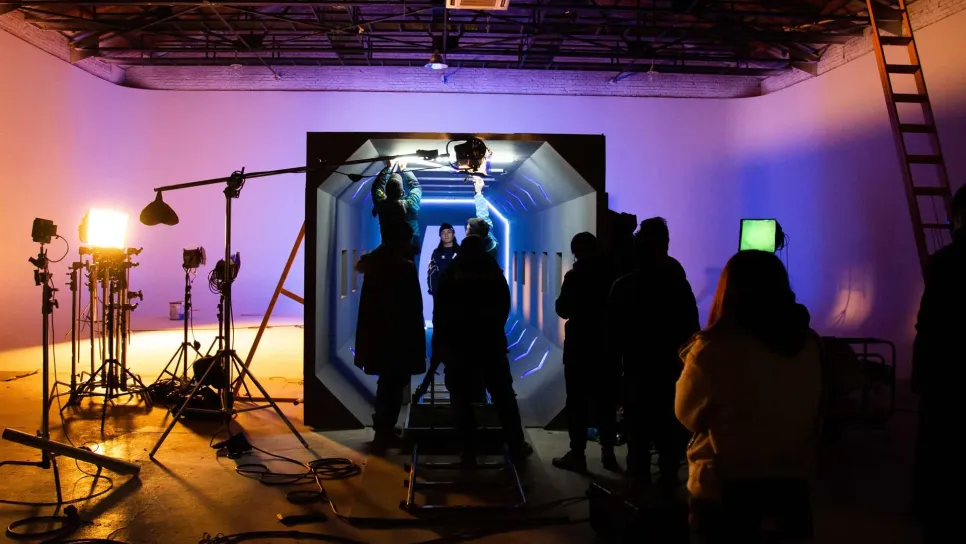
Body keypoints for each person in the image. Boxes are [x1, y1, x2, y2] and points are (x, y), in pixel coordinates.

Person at [677, 250, 822, 543]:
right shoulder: (810, 345)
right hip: (791, 486)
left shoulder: (711, 350)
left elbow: (686, 413)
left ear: (728, 292)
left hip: (724, 490)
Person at [609, 217, 700, 487]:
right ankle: (668, 487)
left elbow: (613, 336)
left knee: (637, 435)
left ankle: (638, 491)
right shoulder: (678, 283)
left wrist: (613, 376)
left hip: (636, 371)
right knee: (668, 436)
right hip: (671, 372)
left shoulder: (624, 285)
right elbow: (691, 330)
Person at [432, 234, 532, 464]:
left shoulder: (452, 272)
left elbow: (441, 311)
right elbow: (503, 305)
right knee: (503, 396)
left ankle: (468, 449)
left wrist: (439, 345)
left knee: (461, 398)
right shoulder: (492, 271)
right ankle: (516, 445)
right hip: (490, 344)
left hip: (458, 345)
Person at [911, 185, 966, 542]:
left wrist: (921, 377)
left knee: (940, 451)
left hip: (946, 376)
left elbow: (929, 324)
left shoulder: (945, 263)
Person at [353, 220, 426, 453]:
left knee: (387, 382)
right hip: (399, 336)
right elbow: (412, 308)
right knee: (394, 383)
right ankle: (384, 432)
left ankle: (383, 429)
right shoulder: (403, 268)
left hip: (379, 335)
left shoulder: (375, 265)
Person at [552, 232, 620, 474]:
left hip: (579, 345)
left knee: (577, 402)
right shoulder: (612, 274)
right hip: (607, 346)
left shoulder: (575, 276)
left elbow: (563, 309)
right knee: (606, 401)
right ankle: (608, 452)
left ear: (576, 252)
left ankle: (577, 455)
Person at [413, 223, 461, 403]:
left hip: (458, 303)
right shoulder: (436, 253)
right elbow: (431, 274)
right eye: (443, 233)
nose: (446, 235)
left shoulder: (460, 253)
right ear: (440, 236)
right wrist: (435, 292)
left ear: (453, 234)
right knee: (440, 334)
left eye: (449, 232)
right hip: (441, 303)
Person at [372, 159, 422, 252]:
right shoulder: (410, 204)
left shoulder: (382, 205)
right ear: (402, 192)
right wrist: (404, 168)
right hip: (410, 246)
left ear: (386, 192)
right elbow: (415, 186)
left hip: (390, 247)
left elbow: (377, 188)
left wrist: (388, 168)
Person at [466, 176, 499, 262]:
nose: (466, 232)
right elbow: (483, 216)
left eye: (468, 229)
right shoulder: (490, 240)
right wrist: (478, 193)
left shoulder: (478, 251)